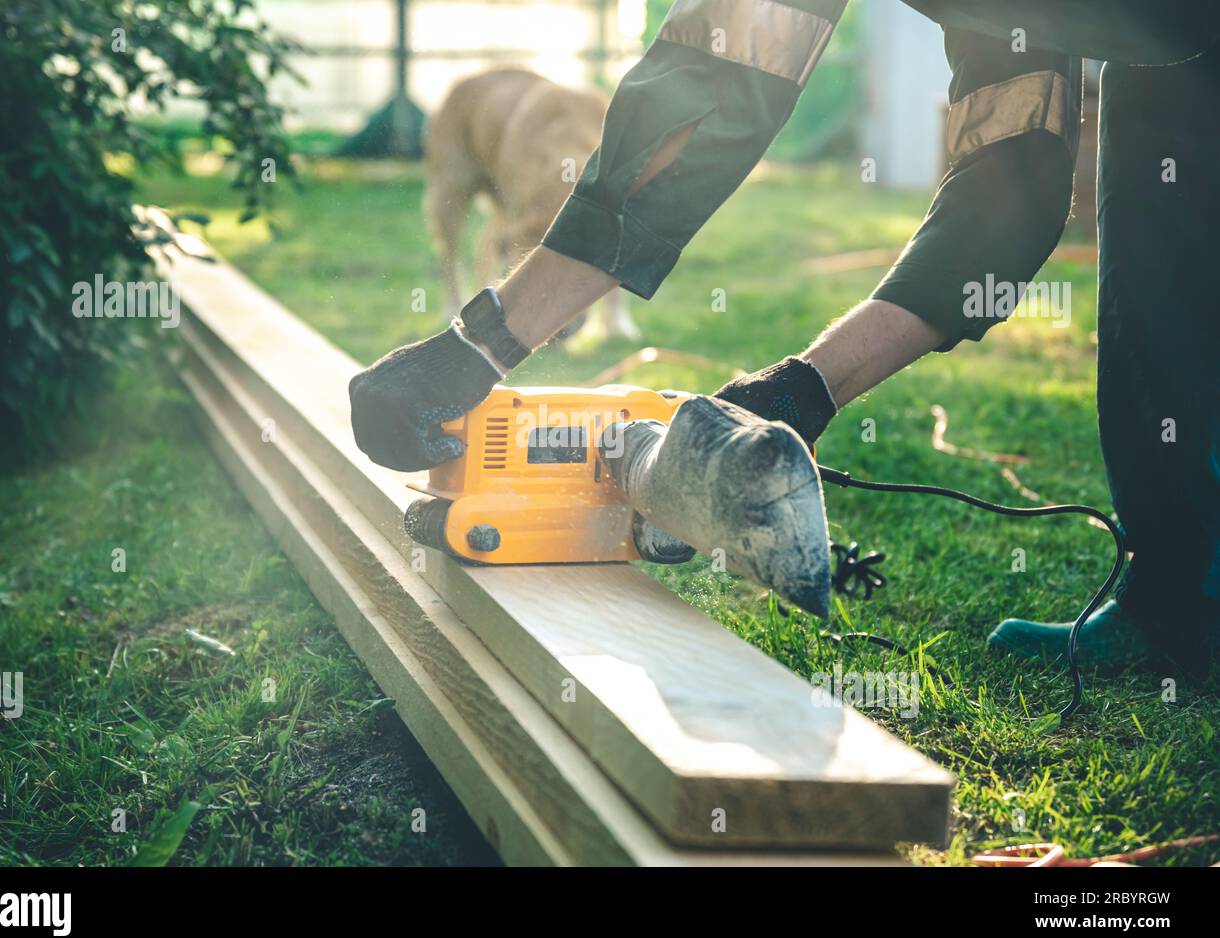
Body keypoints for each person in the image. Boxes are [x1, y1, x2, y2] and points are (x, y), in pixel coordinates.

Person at [349, 0, 1220, 669]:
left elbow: (711, 87)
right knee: (1155, 190)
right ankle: (1177, 596)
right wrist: (798, 393)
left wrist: (483, 343)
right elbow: (1012, 184)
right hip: (1170, 41)